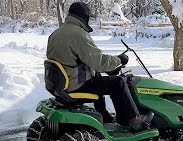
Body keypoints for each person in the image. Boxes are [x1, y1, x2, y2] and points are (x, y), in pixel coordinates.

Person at [46, 2, 150, 131]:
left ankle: (104, 115)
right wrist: (119, 60)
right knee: (118, 82)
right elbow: (98, 62)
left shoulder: (57, 33)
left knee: (96, 76)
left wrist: (107, 66)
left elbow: (77, 60)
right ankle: (134, 119)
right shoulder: (79, 34)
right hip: (75, 84)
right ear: (85, 17)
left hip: (61, 83)